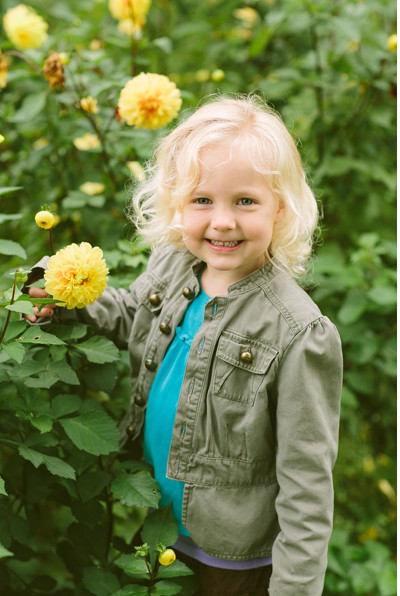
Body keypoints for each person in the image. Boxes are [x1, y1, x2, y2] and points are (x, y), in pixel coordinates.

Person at [26, 95, 343, 595]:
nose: (221, 221)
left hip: (231, 554)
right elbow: (132, 313)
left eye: (245, 201)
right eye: (202, 200)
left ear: (280, 208)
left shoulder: (298, 329)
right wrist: (67, 294)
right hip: (156, 513)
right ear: (176, 201)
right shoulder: (174, 264)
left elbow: (307, 481)